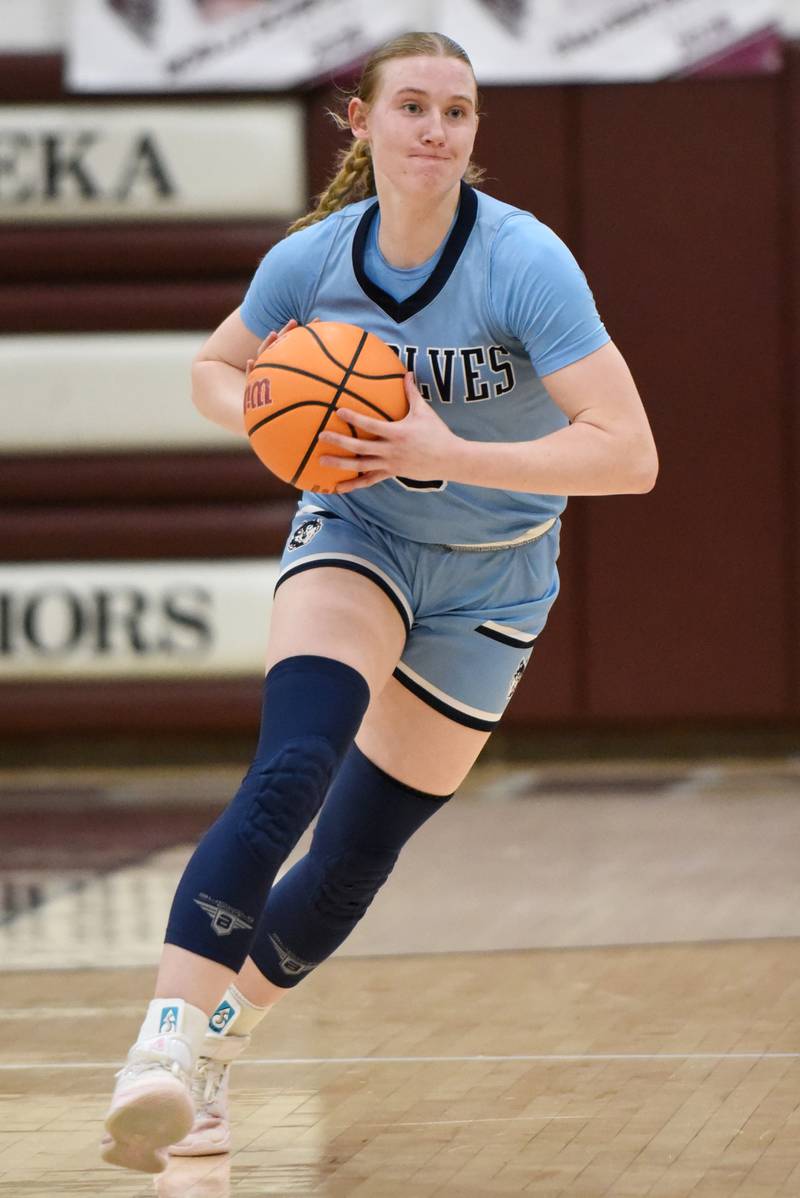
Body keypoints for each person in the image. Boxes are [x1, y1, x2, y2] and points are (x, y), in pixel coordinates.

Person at [101, 30, 658, 1174]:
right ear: (359, 123)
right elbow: (215, 367)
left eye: (456, 112)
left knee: (356, 852)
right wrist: (271, 416)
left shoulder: (523, 262)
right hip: (359, 532)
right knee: (292, 766)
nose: (435, 130)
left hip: (494, 569)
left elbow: (630, 454)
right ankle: (156, 1051)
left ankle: (216, 1046)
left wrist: (444, 446)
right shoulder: (311, 260)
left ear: (471, 134)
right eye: (411, 106)